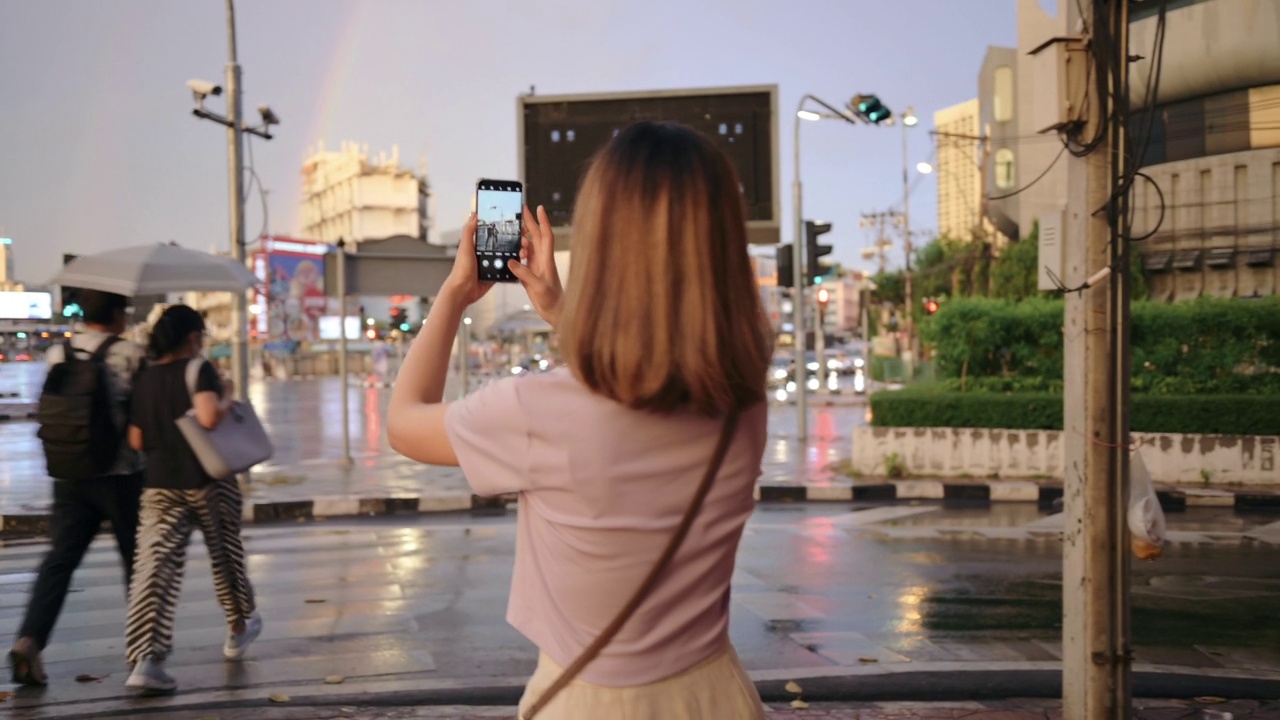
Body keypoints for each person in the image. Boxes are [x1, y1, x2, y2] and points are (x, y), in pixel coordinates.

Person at [387, 122, 771, 719]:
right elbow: (643, 383)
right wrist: (560, 312)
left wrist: (456, 293)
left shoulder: (533, 411)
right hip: (714, 695)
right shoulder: (743, 404)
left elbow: (405, 423)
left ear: (601, 246)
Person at [9, 290, 146, 686]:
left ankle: (29, 641)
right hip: (121, 475)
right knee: (136, 564)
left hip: (69, 475)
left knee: (59, 561)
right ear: (118, 315)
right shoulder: (130, 354)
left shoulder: (58, 355)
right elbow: (143, 415)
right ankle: (141, 654)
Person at [122, 305, 262, 693]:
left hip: (158, 485)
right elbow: (208, 418)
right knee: (225, 556)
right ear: (191, 338)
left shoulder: (145, 378)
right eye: (200, 334)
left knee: (154, 570)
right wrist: (227, 393)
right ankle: (239, 627)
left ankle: (145, 660)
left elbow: (136, 440)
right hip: (207, 479)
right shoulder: (198, 370)